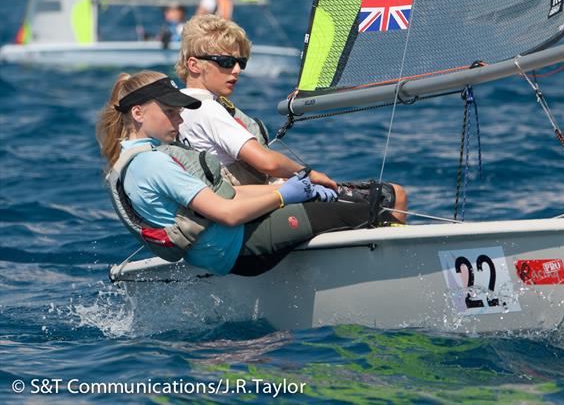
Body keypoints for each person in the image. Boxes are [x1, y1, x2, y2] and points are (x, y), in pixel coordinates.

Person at [97, 71, 387, 277]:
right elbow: (229, 213)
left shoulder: (129, 163)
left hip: (218, 252)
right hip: (238, 249)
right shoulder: (154, 164)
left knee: (332, 203)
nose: (180, 118)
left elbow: (228, 195)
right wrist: (282, 195)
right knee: (374, 201)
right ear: (137, 113)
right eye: (171, 112)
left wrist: (301, 188)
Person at [175, 15, 408, 223]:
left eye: (241, 62)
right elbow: (268, 163)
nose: (237, 70)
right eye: (226, 62)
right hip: (255, 209)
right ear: (194, 65)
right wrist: (312, 175)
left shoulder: (176, 110)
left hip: (232, 207)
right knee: (393, 195)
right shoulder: (207, 109)